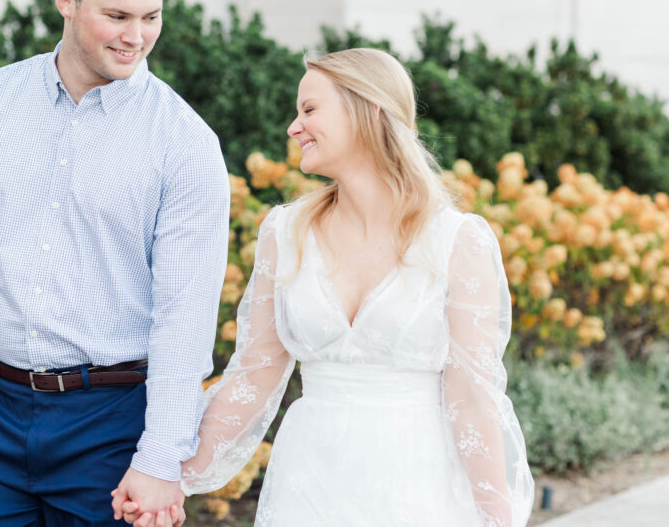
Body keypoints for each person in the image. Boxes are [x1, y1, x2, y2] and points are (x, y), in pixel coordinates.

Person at [116, 48, 534, 526]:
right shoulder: (285, 232)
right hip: (310, 482)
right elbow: (253, 376)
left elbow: (473, 399)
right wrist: (168, 477)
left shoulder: (457, 241)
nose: (293, 128)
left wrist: (497, 519)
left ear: (369, 112)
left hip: (419, 484)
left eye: (310, 110)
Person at [0, 0, 230, 526]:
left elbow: (184, 315)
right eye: (117, 16)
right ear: (66, 0)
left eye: (151, 17)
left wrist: (160, 458)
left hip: (113, 430)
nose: (137, 37)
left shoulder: (184, 142)